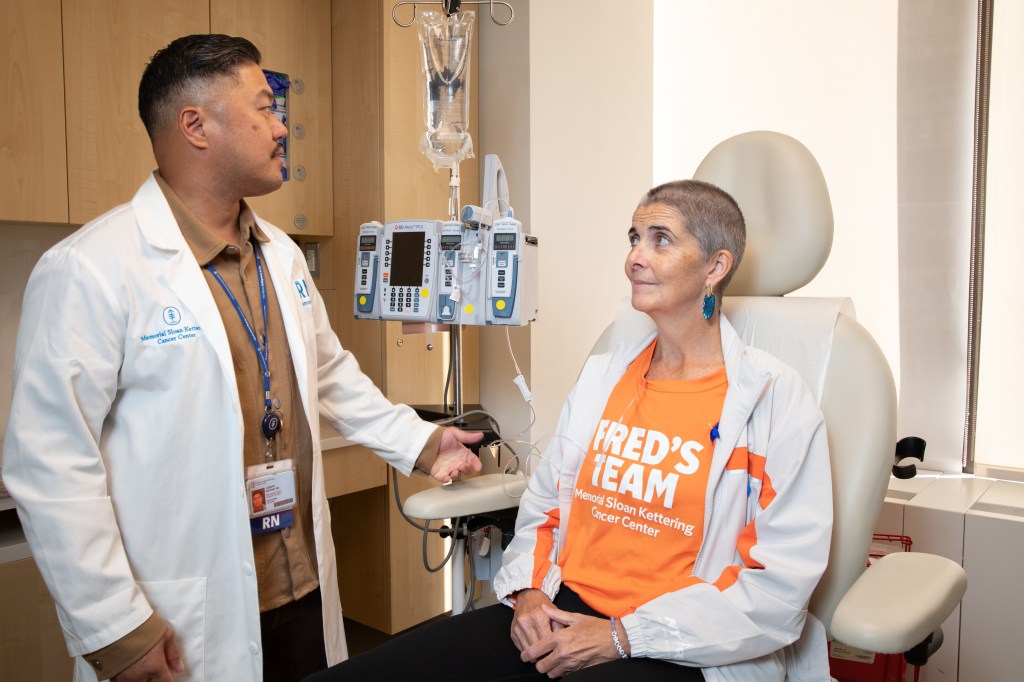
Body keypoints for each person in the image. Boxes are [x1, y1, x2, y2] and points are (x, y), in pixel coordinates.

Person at [2, 34, 482, 682]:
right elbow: (48, 462)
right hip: (180, 616)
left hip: (302, 593)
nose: (282, 127)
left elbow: (331, 373)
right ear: (196, 126)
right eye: (264, 108)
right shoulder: (92, 268)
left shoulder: (279, 254)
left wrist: (422, 444)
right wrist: (114, 629)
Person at [305, 179, 833, 682]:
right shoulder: (606, 377)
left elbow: (777, 585)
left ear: (716, 266)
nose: (634, 258)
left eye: (661, 240)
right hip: (559, 609)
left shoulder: (774, 400)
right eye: (634, 237)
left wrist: (622, 636)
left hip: (680, 643)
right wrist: (531, 594)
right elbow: (543, 507)